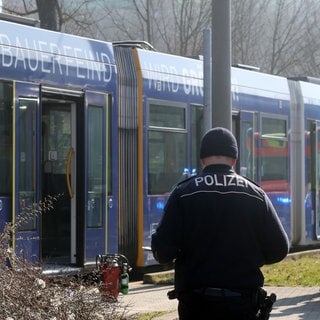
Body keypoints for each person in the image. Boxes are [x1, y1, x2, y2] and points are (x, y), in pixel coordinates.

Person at [151, 127, 289, 320]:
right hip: (242, 304)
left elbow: (163, 251)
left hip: (196, 305)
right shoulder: (256, 195)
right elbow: (279, 249)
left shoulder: (183, 192)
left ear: (202, 159)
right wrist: (249, 259)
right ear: (234, 160)